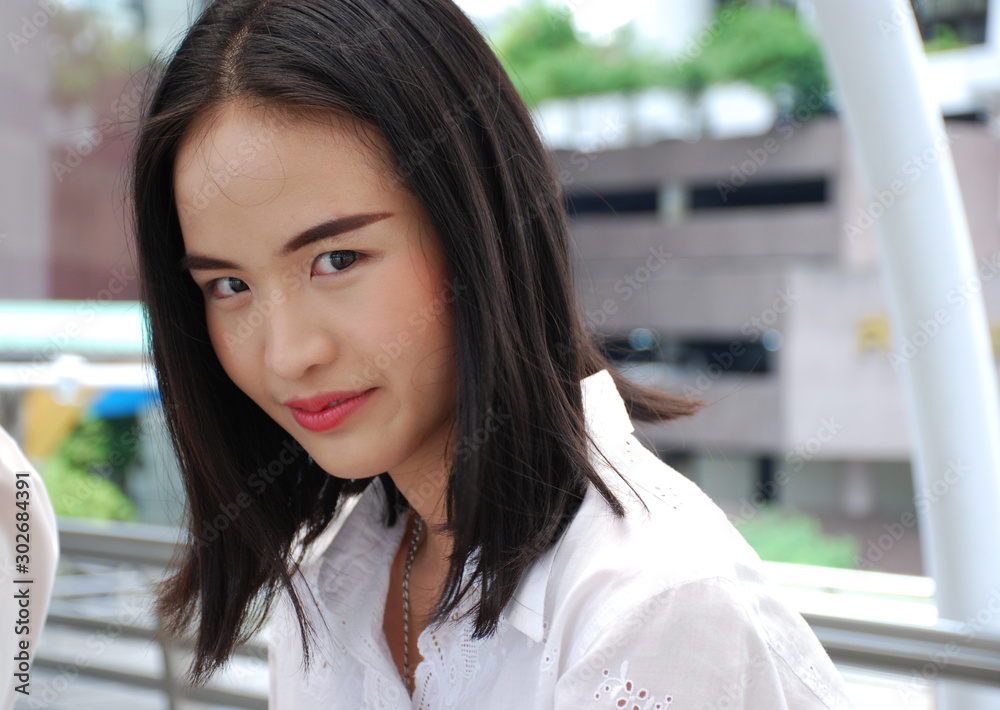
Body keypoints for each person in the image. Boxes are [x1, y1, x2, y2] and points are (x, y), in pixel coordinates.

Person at [133, 0, 858, 707]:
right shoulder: (338, 578)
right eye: (228, 284)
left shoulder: (646, 604)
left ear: (479, 230)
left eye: (338, 258)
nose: (289, 354)